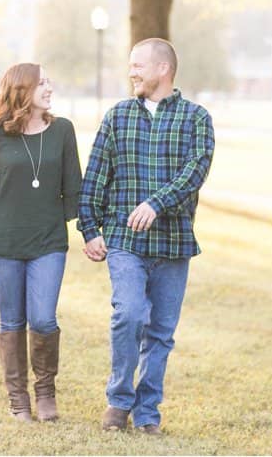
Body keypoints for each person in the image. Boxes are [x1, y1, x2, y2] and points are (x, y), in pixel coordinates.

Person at [78, 38, 215, 435]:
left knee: (161, 332)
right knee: (129, 314)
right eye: (130, 65)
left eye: (138, 65)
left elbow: (195, 172)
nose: (131, 71)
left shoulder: (196, 118)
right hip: (125, 241)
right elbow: (96, 178)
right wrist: (90, 229)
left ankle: (148, 412)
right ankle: (118, 401)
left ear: (162, 69)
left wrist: (156, 203)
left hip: (173, 243)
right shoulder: (117, 116)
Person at [0, 63, 83, 422]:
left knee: (44, 319)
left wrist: (93, 232)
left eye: (50, 80)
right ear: (22, 90)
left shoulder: (62, 130)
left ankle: (45, 393)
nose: (50, 87)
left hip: (48, 242)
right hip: (2, 244)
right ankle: (18, 400)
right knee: (12, 322)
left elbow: (75, 189)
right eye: (42, 82)